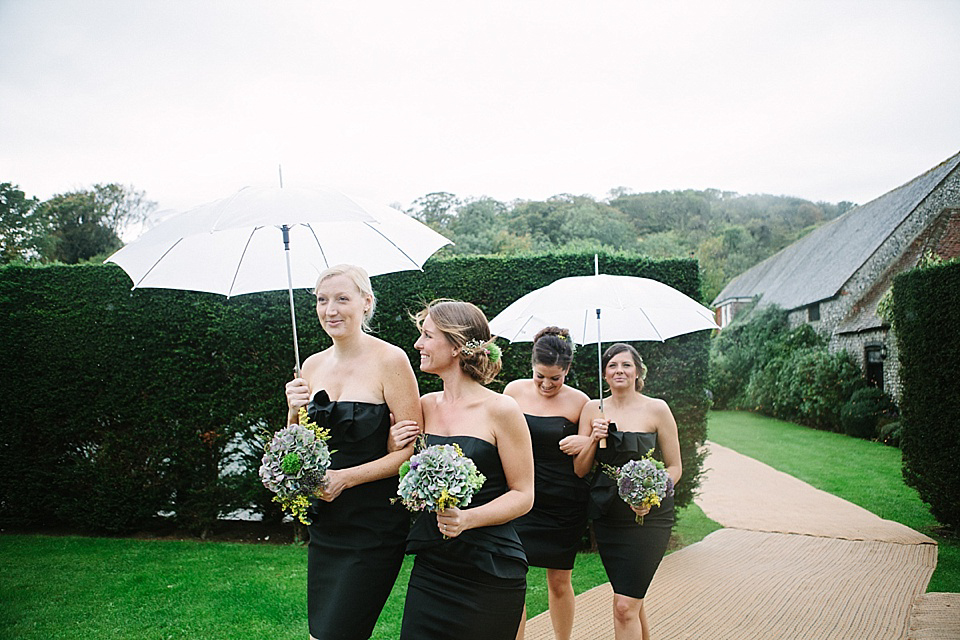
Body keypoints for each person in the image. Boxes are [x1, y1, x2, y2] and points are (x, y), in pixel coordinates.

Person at [284, 264, 422, 640]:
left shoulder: (391, 361)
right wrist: (293, 408)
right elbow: (292, 451)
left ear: (366, 303)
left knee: (339, 633)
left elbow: (412, 453)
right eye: (322, 300)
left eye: (342, 299)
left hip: (374, 524)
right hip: (327, 521)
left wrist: (346, 478)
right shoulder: (311, 365)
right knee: (320, 632)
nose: (331, 310)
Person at [392, 299, 535, 640]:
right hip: (434, 565)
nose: (418, 344)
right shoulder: (424, 406)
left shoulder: (502, 410)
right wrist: (395, 441)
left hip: (488, 566)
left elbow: (524, 494)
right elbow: (402, 472)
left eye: (427, 336)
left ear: (456, 347)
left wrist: (469, 519)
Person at [573, 343, 682, 640]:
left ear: (637, 372)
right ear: (604, 375)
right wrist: (594, 439)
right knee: (630, 600)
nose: (619, 370)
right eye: (612, 366)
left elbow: (674, 467)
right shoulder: (592, 409)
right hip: (609, 515)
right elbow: (580, 469)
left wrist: (650, 496)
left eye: (626, 365)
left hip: (650, 517)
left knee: (624, 605)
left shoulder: (657, 408)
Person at [503, 327, 590, 640]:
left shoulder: (582, 402)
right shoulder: (512, 392)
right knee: (513, 579)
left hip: (563, 502)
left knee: (559, 581)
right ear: (531, 365)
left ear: (567, 369)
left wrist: (587, 440)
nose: (547, 384)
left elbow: (586, 464)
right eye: (541, 376)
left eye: (556, 377)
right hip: (519, 498)